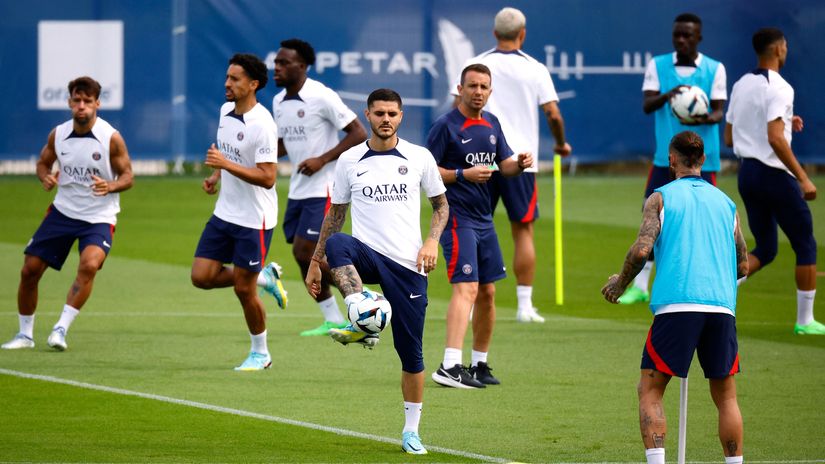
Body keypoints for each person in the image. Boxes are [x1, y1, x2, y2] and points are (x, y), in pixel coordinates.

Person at [304, 88, 448, 454]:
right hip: (367, 255)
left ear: (401, 117)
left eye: (393, 114)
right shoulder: (350, 160)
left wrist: (431, 242)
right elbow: (335, 216)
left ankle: (411, 431)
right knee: (338, 245)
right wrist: (314, 264)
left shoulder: (419, 157)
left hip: (408, 265)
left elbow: (441, 206)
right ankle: (362, 312)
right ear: (366, 115)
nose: (386, 119)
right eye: (379, 113)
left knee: (411, 353)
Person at [602, 131, 747, 464]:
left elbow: (641, 251)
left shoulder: (660, 198)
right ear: (704, 160)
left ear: (671, 159)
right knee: (726, 398)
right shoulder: (727, 204)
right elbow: (742, 264)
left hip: (677, 305)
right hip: (722, 306)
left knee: (650, 389)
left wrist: (620, 284)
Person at [452, 6, 571, 323]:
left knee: (473, 229)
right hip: (520, 161)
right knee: (523, 231)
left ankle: (474, 298)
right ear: (523, 34)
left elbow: (456, 108)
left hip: (478, 160)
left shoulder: (475, 65)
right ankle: (524, 306)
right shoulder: (535, 68)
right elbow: (554, 114)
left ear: (494, 33)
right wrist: (560, 143)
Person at [1, 76, 134, 351]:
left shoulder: (111, 138)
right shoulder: (58, 134)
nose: (82, 106)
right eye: (77, 100)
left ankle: (60, 328)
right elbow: (42, 162)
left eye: (88, 101)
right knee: (30, 270)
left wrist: (111, 185)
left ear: (97, 103)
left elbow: (128, 176)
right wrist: (45, 177)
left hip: (98, 217)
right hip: (62, 213)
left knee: (89, 265)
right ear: (69, 102)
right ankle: (25, 335)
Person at [430, 64, 534, 388]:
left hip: (484, 219)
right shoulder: (445, 126)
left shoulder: (492, 123)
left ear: (490, 91)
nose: (478, 92)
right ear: (459, 89)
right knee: (468, 289)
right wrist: (463, 174)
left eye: (484, 87)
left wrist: (518, 163)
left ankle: (479, 365)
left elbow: (503, 165)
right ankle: (449, 365)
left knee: (488, 292)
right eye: (472, 86)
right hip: (456, 217)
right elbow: (427, 172)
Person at [620, 12, 727, 305]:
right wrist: (669, 95)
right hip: (664, 160)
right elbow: (646, 105)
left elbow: (719, 112)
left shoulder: (715, 69)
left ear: (698, 37)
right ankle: (640, 286)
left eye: (687, 35)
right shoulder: (658, 65)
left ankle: (704, 281)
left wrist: (701, 116)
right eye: (677, 34)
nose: (681, 39)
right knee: (651, 218)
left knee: (704, 222)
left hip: (704, 162)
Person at [190, 53, 287, 371]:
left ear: (253, 84)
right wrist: (216, 176)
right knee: (201, 277)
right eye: (227, 77)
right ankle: (264, 276)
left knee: (243, 289)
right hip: (225, 212)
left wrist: (225, 165)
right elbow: (227, 152)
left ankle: (261, 353)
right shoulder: (224, 111)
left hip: (254, 220)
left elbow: (268, 176)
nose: (226, 83)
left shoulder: (263, 125)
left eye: (234, 79)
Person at [725, 28, 821, 334]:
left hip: (747, 175)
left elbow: (729, 136)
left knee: (766, 248)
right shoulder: (780, 86)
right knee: (805, 243)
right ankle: (805, 321)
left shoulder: (742, 84)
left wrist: (786, 121)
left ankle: (717, 289)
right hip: (774, 175)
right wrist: (803, 178)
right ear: (779, 48)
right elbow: (775, 138)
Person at [272, 38, 368, 337]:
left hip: (324, 187)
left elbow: (358, 132)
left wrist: (323, 159)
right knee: (301, 254)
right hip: (299, 189)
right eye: (276, 62)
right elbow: (284, 145)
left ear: (301, 66)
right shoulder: (278, 102)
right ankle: (334, 318)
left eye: (283, 63)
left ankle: (365, 303)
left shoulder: (320, 95)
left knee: (306, 250)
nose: (277, 67)